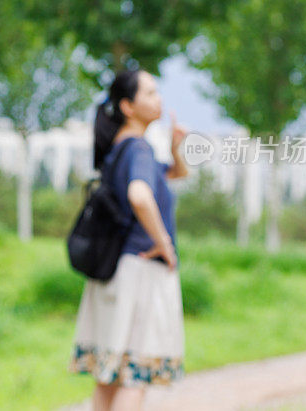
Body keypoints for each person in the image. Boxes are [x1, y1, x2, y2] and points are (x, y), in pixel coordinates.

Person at [70, 69, 189, 411]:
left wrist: (175, 150)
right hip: (141, 274)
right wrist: (164, 243)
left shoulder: (120, 148)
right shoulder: (138, 149)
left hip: (114, 274)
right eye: (150, 93)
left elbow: (174, 174)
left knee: (110, 375)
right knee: (135, 375)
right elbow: (140, 194)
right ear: (128, 106)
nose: (159, 99)